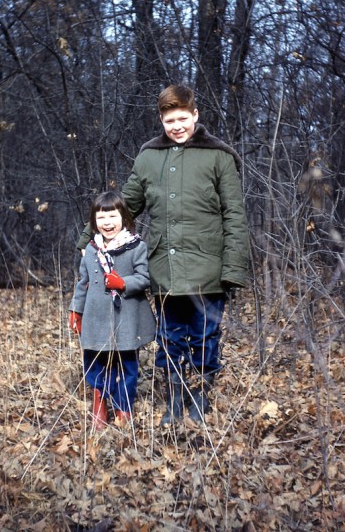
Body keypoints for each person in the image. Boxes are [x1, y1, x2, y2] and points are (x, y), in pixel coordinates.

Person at [77, 85, 249, 426]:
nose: (178, 126)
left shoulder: (219, 157)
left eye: (183, 118)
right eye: (170, 120)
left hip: (209, 269)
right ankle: (174, 399)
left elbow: (235, 215)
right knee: (170, 337)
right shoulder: (148, 157)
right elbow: (126, 207)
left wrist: (233, 268)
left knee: (205, 336)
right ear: (161, 120)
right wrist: (88, 240)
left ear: (196, 115)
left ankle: (198, 398)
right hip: (164, 268)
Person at [69, 191, 156, 431]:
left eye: (112, 216)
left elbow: (144, 278)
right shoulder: (91, 250)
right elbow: (83, 283)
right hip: (96, 319)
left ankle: (123, 407)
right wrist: (76, 310)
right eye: (101, 217)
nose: (107, 223)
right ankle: (100, 404)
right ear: (94, 221)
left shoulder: (135, 246)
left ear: (124, 217)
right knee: (95, 363)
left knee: (127, 365)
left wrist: (124, 283)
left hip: (126, 318)